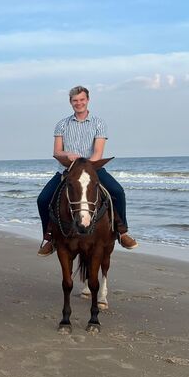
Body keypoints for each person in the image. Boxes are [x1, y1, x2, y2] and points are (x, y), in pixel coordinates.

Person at [36, 85, 138, 256]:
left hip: (93, 169)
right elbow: (57, 151)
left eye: (82, 100)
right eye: (75, 100)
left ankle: (123, 232)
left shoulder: (99, 123)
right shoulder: (62, 124)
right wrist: (68, 155)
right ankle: (49, 237)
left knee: (118, 192)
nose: (79, 103)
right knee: (42, 199)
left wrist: (84, 166)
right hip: (67, 171)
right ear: (70, 102)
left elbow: (98, 153)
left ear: (87, 100)